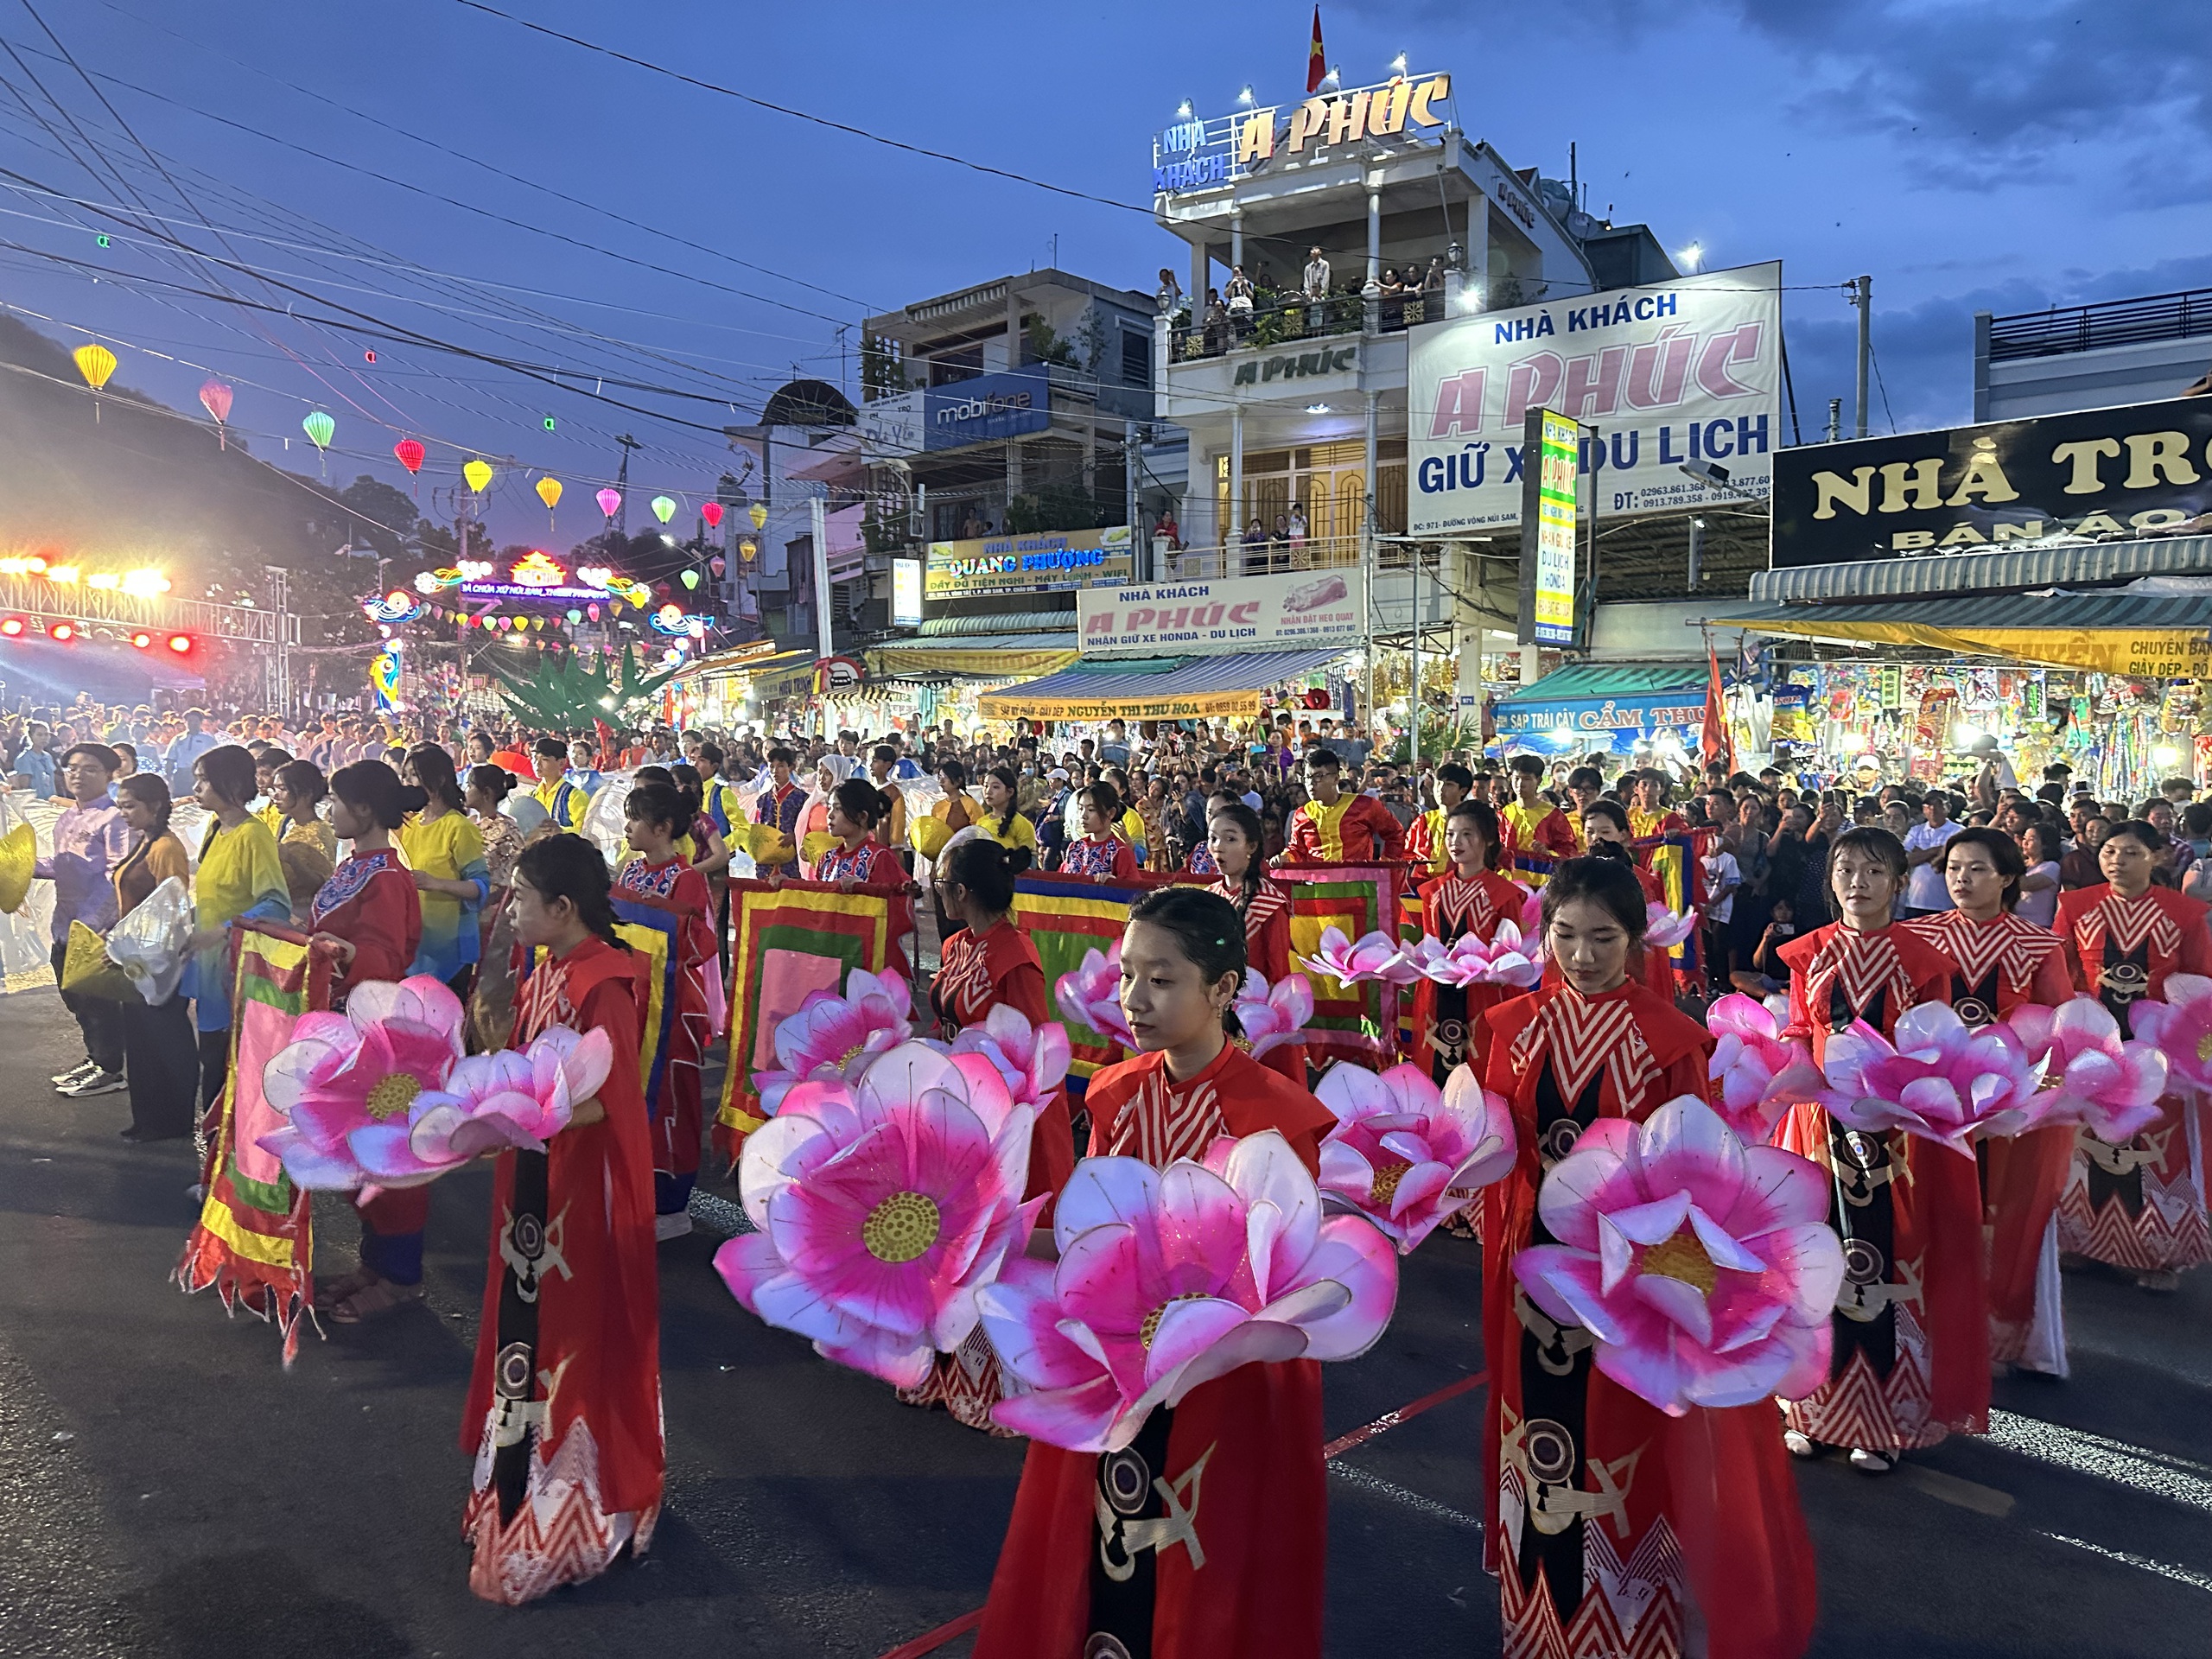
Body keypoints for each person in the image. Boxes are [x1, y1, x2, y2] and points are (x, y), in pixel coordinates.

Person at [972, 887, 1338, 1659]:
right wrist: (983, 1238)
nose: (1134, 999)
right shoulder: (1116, 1092)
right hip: (1114, 1369)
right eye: (1129, 976)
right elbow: (1088, 1243)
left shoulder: (1278, 1119)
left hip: (1222, 1388)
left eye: (1161, 980)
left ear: (1224, 989)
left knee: (1198, 1580)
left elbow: (1282, 1290)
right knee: (1103, 1566)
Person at [1470, 854, 1815, 1653]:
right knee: (1539, 1430)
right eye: (1565, 935)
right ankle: (1540, 1618)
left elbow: (1696, 1177)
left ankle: (1623, 1625)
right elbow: (1500, 1153)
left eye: (1603, 938)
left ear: (1637, 941)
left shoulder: (1667, 1040)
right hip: (1531, 1268)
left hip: (1636, 1280)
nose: (1582, 956)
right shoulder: (1512, 1029)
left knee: (1621, 1433)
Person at [461, 834, 659, 1605]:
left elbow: (606, 1104)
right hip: (535, 1182)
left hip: (581, 1191)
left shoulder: (603, 982)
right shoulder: (545, 970)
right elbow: (524, 1067)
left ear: (563, 906)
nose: (509, 911)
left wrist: (517, 1117)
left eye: (519, 897)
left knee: (573, 1339)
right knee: (526, 1331)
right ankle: (509, 1487)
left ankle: (575, 1514)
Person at [1776, 826, 1981, 1474]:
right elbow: (1797, 1030)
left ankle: (1883, 1420)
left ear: (1898, 882)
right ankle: (1813, 1409)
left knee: (1890, 1263)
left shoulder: (1923, 960)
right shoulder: (1809, 952)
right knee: (1817, 1257)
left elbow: (1939, 1047)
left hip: (1896, 1137)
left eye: (1872, 871)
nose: (1856, 883)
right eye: (1845, 870)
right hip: (1818, 1130)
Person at [903, 836, 1076, 1432]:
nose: (938, 892)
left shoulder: (1014, 955)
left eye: (944, 883)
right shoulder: (957, 946)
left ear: (964, 891)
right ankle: (948, 1374)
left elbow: (1031, 1047)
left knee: (998, 1246)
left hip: (1009, 1118)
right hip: (958, 1107)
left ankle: (1002, 1386)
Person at [1900, 829, 2073, 1375]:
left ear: (2007, 878)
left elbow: (2057, 1029)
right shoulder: (1915, 937)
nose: (1961, 878)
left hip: (2005, 1110)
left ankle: (1994, 1329)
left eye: (1976, 869)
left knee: (1996, 1215)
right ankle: (1929, 1326)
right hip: (1929, 1105)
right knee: (1932, 1213)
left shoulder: (2040, 945)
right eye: (1953, 867)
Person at [2055, 819, 2212, 1290]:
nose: (2117, 860)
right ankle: (2079, 1241)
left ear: (2156, 856)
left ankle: (2149, 1251)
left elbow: (2200, 982)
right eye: (2109, 852)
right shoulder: (2075, 906)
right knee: (2084, 1144)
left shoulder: (2184, 913)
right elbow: (2059, 972)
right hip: (2090, 1048)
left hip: (2159, 1053)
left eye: (2129, 852)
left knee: (2149, 1146)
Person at [304, 761, 429, 1323]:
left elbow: (387, 956)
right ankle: (376, 1263)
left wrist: (346, 954)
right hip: (345, 1028)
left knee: (388, 1162)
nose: (328, 811)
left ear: (362, 810)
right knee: (358, 1157)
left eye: (334, 801)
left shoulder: (388, 876)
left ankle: (400, 1276)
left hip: (377, 1035)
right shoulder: (358, 866)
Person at [611, 782, 718, 1239]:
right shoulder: (631, 871)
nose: (628, 827)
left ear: (662, 827)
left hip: (672, 1007)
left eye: (635, 819)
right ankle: (634, 1191)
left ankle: (672, 1206)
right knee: (628, 1097)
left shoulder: (686, 878)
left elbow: (698, 942)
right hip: (631, 1004)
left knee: (672, 1100)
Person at [183, 746, 290, 1122]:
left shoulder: (253, 835)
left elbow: (276, 903)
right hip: (210, 966)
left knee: (225, 1064)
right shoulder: (215, 828)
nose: (196, 787)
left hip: (237, 969)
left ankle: (223, 1163)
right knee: (211, 1057)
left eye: (203, 780)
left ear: (228, 783)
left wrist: (224, 931)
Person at [1409, 798, 1526, 1088]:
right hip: (1436, 992)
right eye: (1450, 834)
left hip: (1482, 995)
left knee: (1480, 1071)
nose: (1455, 841)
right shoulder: (1432, 891)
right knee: (1434, 1074)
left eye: (1466, 834)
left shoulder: (1504, 894)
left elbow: (1512, 954)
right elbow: (1428, 945)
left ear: (1487, 840)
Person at [38, 742, 131, 1097]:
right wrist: (24, 867)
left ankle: (111, 1069)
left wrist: (92, 923)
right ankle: (96, 1058)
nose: (78, 774)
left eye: (90, 768)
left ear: (110, 775)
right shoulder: (67, 818)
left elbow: (116, 874)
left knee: (98, 999)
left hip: (94, 928)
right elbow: (59, 863)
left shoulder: (114, 818)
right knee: (73, 995)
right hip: (64, 923)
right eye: (72, 767)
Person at [110, 774, 197, 1141]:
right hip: (137, 959)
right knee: (143, 1041)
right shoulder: (145, 842)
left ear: (156, 806)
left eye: (130, 806)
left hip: (157, 963)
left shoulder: (164, 848)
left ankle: (172, 1118)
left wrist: (145, 952)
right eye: (122, 806)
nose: (124, 814)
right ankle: (149, 1118)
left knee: (164, 1037)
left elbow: (172, 910)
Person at [1205, 801, 1301, 1083]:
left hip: (1256, 1022)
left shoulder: (1269, 902)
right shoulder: (1209, 897)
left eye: (1230, 838)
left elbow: (1278, 974)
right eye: (1213, 838)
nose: (1218, 846)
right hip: (1212, 1016)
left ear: (1251, 846)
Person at [399, 744, 490, 1000]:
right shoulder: (411, 823)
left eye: (414, 775)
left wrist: (435, 883)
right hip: (417, 945)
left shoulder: (458, 827)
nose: (407, 782)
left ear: (438, 779)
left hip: (451, 950)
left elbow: (480, 887)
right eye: (405, 775)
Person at [1282, 748, 1403, 863]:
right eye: (1307, 777)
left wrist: (1386, 865)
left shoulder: (1365, 806)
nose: (1311, 783)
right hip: (1317, 883)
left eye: (1318, 776)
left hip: (1358, 883)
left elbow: (1395, 834)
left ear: (1336, 778)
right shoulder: (1302, 814)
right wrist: (1286, 857)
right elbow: (1297, 849)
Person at [269, 760, 336, 921]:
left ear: (306, 794)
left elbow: (321, 883)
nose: (276, 795)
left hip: (302, 917)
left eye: (283, 789)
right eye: (275, 789)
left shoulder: (320, 830)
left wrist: (292, 860)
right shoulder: (289, 824)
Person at [1498, 753, 1579, 881]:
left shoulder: (1553, 815)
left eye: (1527, 779)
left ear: (1539, 780)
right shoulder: (1504, 814)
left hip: (1543, 884)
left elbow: (1569, 850)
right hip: (1509, 883)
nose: (1520, 784)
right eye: (1516, 778)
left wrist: (1548, 853)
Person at [1060, 783, 1141, 883]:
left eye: (1091, 810)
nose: (1083, 815)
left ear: (1111, 813)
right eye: (1080, 809)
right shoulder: (1074, 848)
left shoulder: (1120, 852)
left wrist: (1114, 883)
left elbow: (1133, 890)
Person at [1403, 762, 1472, 873]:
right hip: (1423, 885)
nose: (1440, 789)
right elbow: (1406, 854)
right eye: (1438, 784)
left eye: (1448, 785)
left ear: (1463, 791)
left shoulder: (1473, 822)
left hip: (1460, 884)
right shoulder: (1424, 821)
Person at [1902, 791, 1961, 916]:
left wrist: (1921, 853)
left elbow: (1951, 862)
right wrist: (1935, 851)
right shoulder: (1916, 831)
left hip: (1945, 902)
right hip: (1915, 901)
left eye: (1938, 805)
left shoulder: (1958, 831)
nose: (1933, 809)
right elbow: (1906, 860)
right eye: (1928, 806)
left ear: (1948, 808)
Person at [752, 746, 808, 880]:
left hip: (791, 861)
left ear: (791, 767)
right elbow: (758, 825)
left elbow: (808, 830)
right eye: (771, 767)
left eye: (781, 766)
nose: (775, 771)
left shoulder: (802, 798)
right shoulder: (763, 799)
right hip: (766, 862)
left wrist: (795, 836)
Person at [976, 764, 1039, 860]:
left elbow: (1031, 860)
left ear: (1010, 792)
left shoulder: (1022, 824)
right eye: (986, 786)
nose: (988, 791)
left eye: (995, 787)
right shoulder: (981, 822)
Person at [528, 736, 589, 832]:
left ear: (561, 763)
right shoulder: (532, 796)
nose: (537, 764)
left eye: (544, 759)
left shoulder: (574, 796)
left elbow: (584, 832)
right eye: (534, 759)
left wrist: (560, 831)